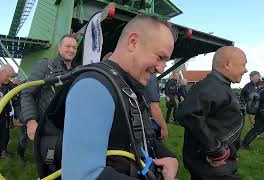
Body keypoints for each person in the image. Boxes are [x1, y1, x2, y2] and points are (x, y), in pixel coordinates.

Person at [62, 15, 178, 180]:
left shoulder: (127, 85)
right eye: (160, 57)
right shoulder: (94, 87)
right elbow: (81, 176)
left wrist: (170, 157)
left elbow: (140, 138)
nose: (161, 69)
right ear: (133, 42)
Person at [176, 46, 247, 180]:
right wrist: (216, 150)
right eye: (243, 64)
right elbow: (188, 115)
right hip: (211, 168)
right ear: (227, 64)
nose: (245, 70)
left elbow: (219, 124)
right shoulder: (211, 86)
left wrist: (232, 152)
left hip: (218, 165)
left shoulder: (220, 86)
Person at [21, 34, 77, 140]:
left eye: (74, 47)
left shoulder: (76, 72)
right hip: (47, 125)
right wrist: (31, 121)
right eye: (68, 46)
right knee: (49, 155)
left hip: (68, 125)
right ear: (59, 47)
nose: (71, 50)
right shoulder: (45, 65)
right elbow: (27, 93)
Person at [144, 75, 168, 140]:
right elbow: (154, 107)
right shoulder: (151, 78)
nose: (165, 65)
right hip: (149, 123)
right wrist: (164, 128)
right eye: (163, 63)